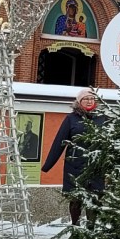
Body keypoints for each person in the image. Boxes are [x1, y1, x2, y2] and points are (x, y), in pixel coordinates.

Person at [41, 89, 103, 226]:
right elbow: (59, 142)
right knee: (75, 199)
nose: (89, 101)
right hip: (75, 166)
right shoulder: (71, 119)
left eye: (91, 99)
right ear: (79, 102)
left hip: (96, 166)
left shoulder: (102, 118)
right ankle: (75, 226)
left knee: (94, 199)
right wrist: (47, 166)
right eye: (85, 99)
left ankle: (91, 228)